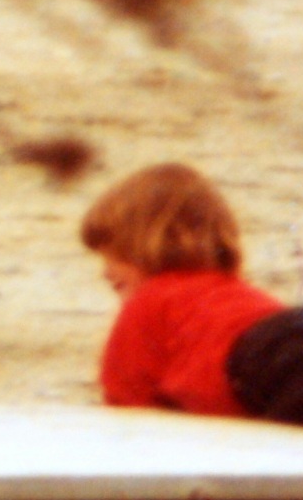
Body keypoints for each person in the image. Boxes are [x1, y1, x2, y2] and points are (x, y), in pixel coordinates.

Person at [80, 161, 287, 416]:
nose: (105, 272)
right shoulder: (247, 296)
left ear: (146, 244)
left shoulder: (150, 301)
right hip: (293, 349)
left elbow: (125, 411)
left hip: (250, 373)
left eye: (112, 254)